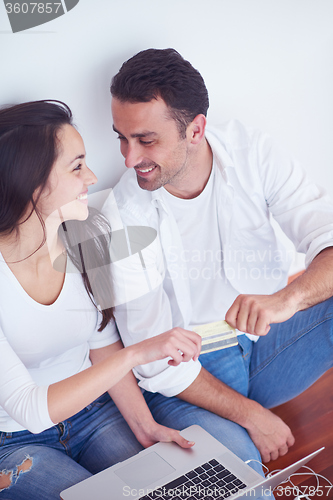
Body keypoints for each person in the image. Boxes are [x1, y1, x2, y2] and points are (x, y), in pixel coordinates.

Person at [102, 48, 333, 481]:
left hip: (264, 341)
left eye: (145, 140)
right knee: (240, 481)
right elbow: (153, 362)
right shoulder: (122, 214)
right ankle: (235, 424)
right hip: (188, 375)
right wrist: (249, 415)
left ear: (196, 129)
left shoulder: (252, 152)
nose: (129, 159)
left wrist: (291, 297)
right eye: (121, 137)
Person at [0, 100, 202, 500]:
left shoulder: (81, 239)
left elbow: (101, 346)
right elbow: (30, 408)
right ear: (31, 181)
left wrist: (146, 429)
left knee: (171, 492)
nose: (91, 176)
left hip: (94, 414)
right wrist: (137, 353)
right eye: (76, 167)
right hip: (14, 442)